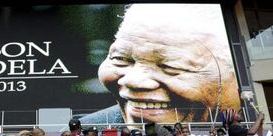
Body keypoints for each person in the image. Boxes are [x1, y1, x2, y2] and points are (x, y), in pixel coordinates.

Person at [80, 4, 240, 125]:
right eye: (121, 59)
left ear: (237, 75)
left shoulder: (255, 134)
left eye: (171, 67)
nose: (133, 80)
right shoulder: (88, 129)